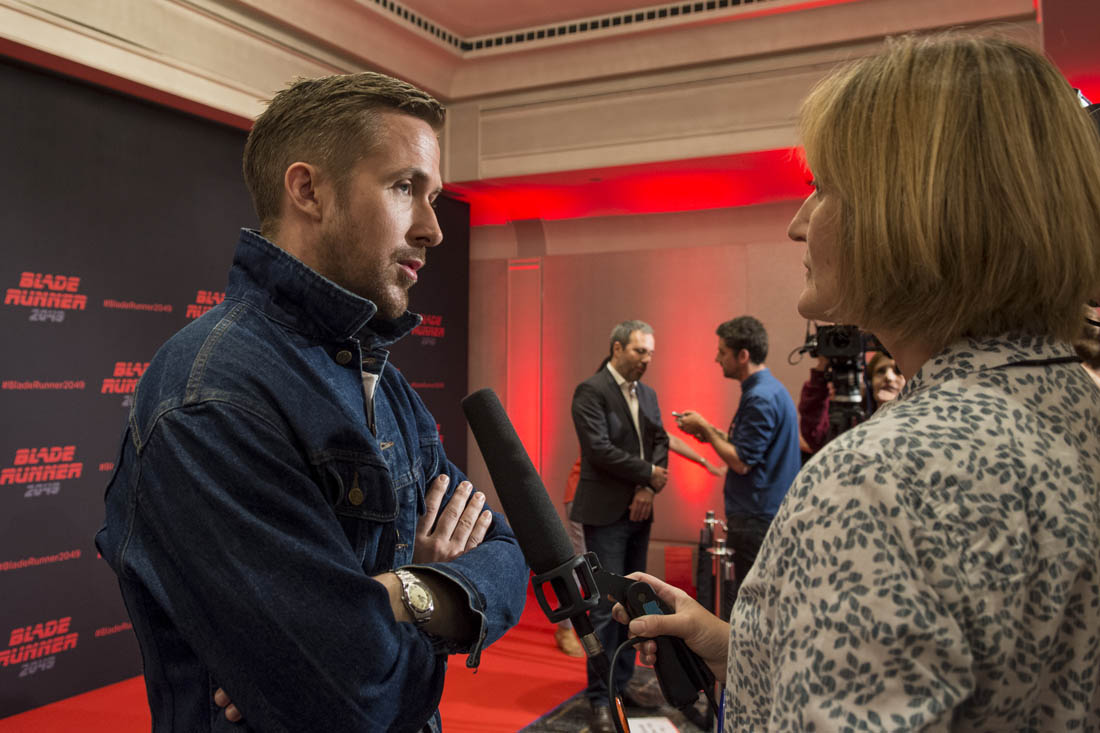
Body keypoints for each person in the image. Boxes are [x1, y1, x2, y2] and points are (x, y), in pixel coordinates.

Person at [618, 34, 1100, 730]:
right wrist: (742, 650)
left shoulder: (884, 479)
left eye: (822, 188)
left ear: (912, 213)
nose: (798, 225)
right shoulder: (1073, 408)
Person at [94, 72, 527, 732]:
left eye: (433, 196)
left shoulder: (384, 380)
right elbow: (348, 698)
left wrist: (399, 592)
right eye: (404, 187)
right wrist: (429, 595)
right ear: (308, 191)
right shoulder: (209, 397)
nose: (434, 229)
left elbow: (508, 555)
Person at [569, 320, 670, 732]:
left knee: (634, 600)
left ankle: (622, 685)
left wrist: (648, 486)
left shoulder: (648, 393)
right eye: (639, 351)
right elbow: (598, 449)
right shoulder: (590, 391)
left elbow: (660, 440)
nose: (647, 359)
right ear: (616, 348)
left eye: (650, 353)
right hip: (605, 512)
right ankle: (599, 695)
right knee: (604, 608)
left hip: (639, 510)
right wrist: (647, 473)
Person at [675, 315, 800, 605]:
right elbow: (751, 448)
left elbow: (742, 461)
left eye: (722, 352)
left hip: (755, 518)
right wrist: (711, 434)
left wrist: (706, 428)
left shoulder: (759, 397)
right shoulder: (771, 390)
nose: (717, 359)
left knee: (749, 605)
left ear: (743, 356)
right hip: (765, 513)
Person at [798, 349, 904, 454]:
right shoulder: (856, 422)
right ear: (869, 381)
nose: (888, 377)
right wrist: (822, 366)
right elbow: (816, 436)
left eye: (898, 371)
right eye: (880, 371)